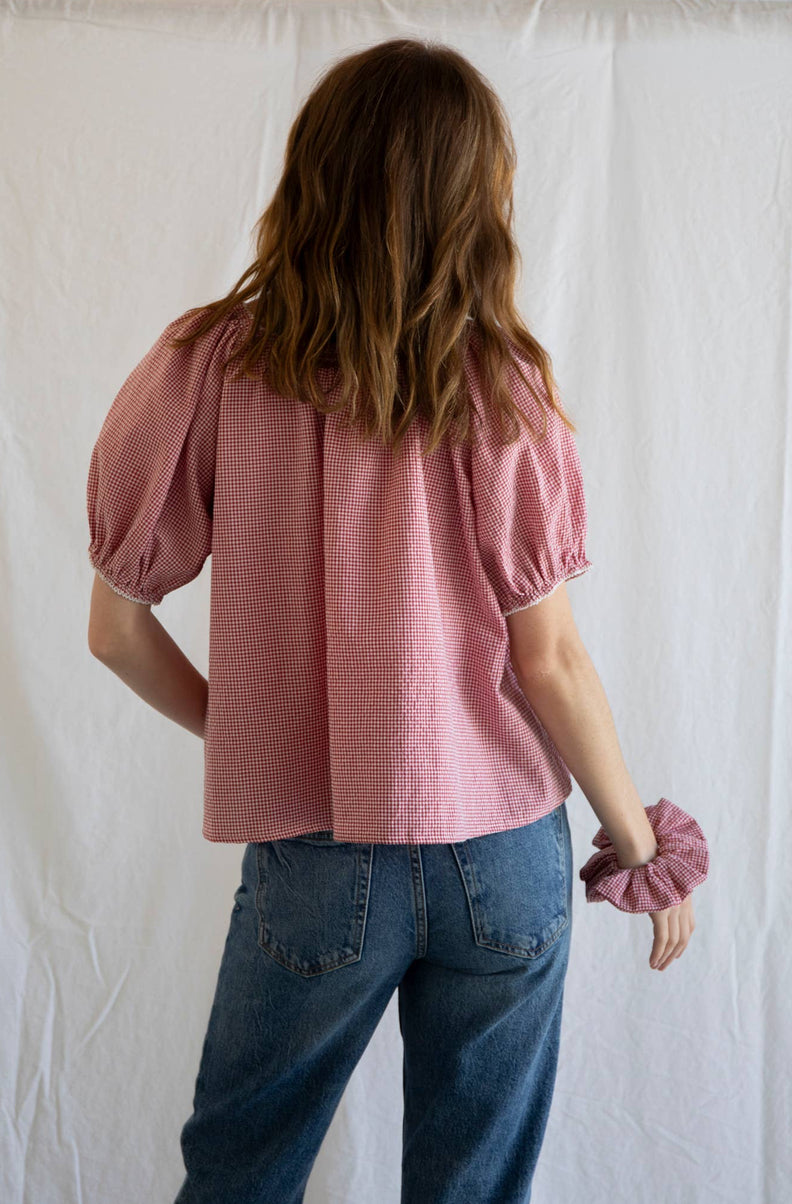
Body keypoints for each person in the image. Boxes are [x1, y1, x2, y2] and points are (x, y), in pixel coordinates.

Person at [85, 37, 709, 1204]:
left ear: (310, 175)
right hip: (504, 858)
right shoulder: (503, 385)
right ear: (474, 199)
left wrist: (253, 731)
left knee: (238, 1174)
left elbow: (115, 630)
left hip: (315, 859)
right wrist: (639, 847)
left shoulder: (207, 368)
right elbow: (552, 657)